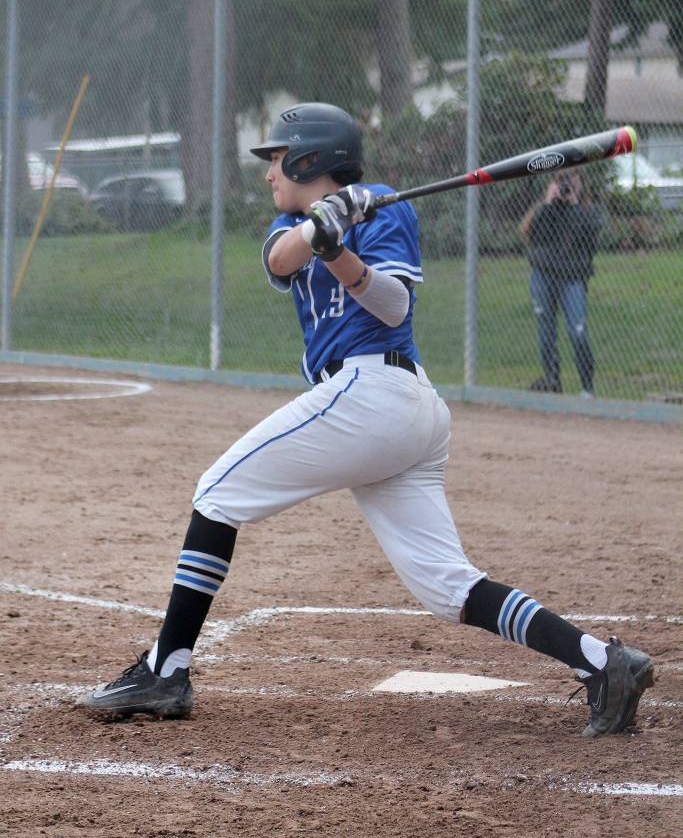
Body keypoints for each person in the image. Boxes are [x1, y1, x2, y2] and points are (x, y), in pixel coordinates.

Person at [78, 103, 652, 737]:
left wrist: (340, 251)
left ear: (310, 159)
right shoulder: (287, 223)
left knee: (216, 494)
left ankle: (167, 670)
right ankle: (604, 662)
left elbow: (393, 305)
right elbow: (280, 260)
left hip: (375, 391)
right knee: (448, 586)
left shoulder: (384, 206)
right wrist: (321, 230)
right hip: (389, 412)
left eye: (278, 159)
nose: (269, 173)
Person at [519, 168, 602, 397]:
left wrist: (573, 204)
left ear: (581, 183)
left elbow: (589, 240)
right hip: (544, 275)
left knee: (578, 331)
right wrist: (548, 203)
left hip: (573, 278)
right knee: (546, 333)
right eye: (562, 181)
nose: (567, 186)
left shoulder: (588, 211)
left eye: (573, 181)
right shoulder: (545, 209)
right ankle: (552, 382)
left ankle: (587, 388)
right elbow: (532, 236)